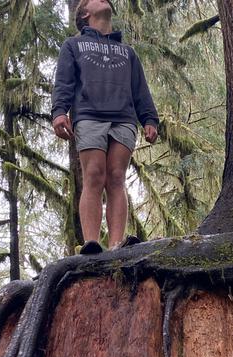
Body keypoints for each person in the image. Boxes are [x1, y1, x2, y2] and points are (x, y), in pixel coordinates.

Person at [51, 0, 159, 254]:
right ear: (85, 14)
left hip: (124, 117)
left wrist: (150, 119)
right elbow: (63, 82)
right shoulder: (73, 45)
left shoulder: (128, 52)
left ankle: (115, 245)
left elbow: (140, 90)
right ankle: (90, 243)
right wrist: (59, 112)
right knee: (94, 175)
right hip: (89, 115)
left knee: (117, 177)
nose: (105, 0)